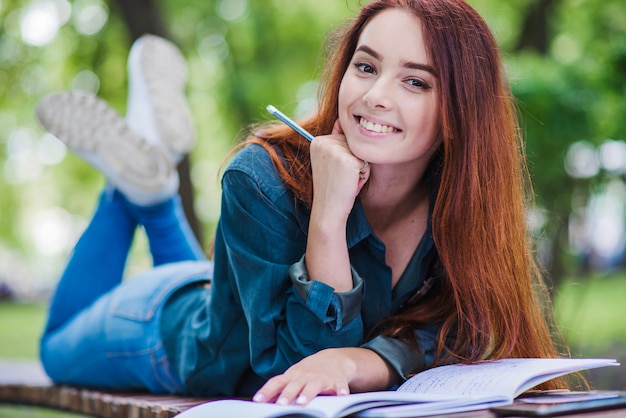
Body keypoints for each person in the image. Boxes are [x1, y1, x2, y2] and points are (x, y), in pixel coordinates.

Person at [37, 0, 570, 407]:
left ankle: (149, 191)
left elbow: (456, 339)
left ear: (461, 110)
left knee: (200, 268)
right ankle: (132, 194)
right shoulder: (262, 177)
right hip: (165, 333)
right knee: (54, 349)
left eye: (414, 81)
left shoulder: (459, 206)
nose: (375, 95)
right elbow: (295, 372)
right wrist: (330, 216)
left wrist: (357, 362)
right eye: (365, 67)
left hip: (226, 291)